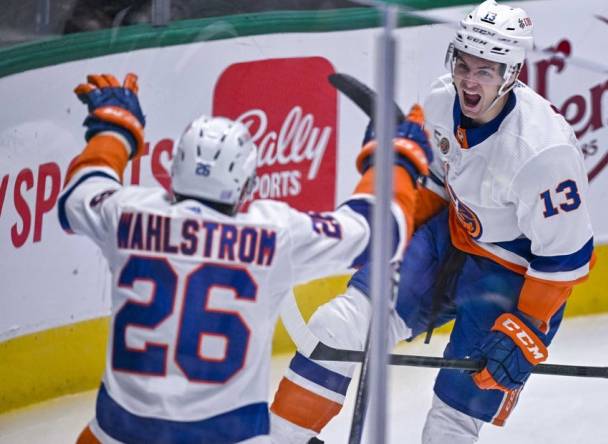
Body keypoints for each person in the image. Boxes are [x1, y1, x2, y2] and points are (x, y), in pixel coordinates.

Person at [268, 1, 595, 442]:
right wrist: (396, 227)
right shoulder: (441, 100)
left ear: (511, 73)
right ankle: (281, 438)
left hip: (512, 276)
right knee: (339, 326)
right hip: (448, 241)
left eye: (484, 71)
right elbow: (440, 184)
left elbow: (564, 258)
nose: (468, 80)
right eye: (463, 64)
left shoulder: (543, 152)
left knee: (452, 420)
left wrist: (528, 328)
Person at [59, 72, 432, 443]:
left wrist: (113, 129)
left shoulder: (127, 213)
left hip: (118, 432)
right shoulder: (273, 233)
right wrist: (396, 159)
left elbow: (80, 194)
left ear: (174, 170)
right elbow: (377, 229)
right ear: (247, 183)